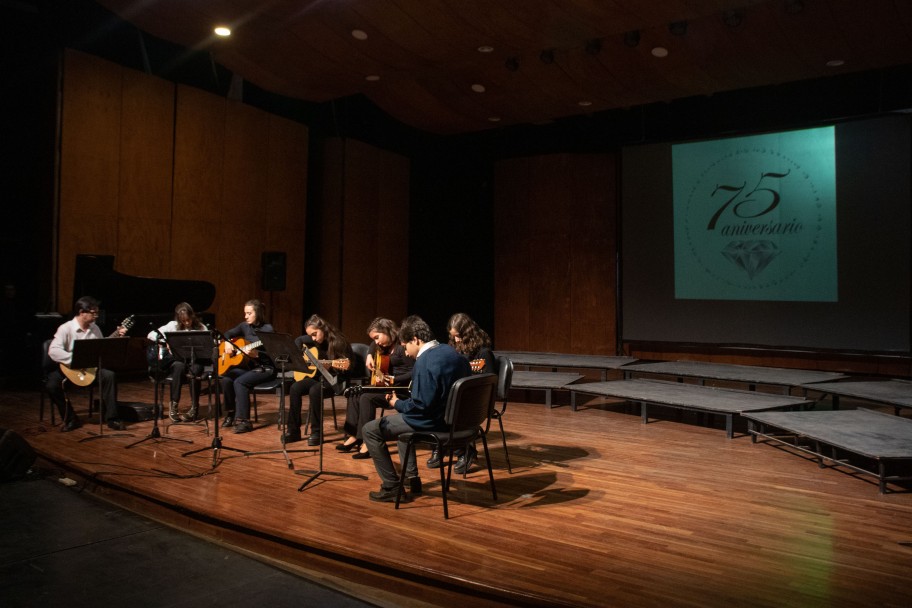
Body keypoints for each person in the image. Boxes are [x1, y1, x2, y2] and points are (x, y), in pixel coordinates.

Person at [362, 315, 471, 503]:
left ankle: (391, 487)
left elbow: (420, 407)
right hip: (460, 422)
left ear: (416, 340)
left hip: (435, 423)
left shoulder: (424, 360)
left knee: (370, 430)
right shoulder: (453, 353)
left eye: (405, 346)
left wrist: (396, 403)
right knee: (403, 431)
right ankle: (412, 480)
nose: (406, 352)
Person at [45, 296, 129, 432]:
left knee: (109, 376)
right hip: (69, 369)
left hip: (89, 369)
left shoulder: (95, 329)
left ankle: (112, 418)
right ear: (81, 312)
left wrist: (117, 337)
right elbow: (53, 351)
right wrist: (74, 360)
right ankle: (71, 419)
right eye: (93, 313)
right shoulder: (65, 328)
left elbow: (102, 349)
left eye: (97, 313)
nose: (96, 316)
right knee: (52, 385)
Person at [340, 317, 414, 460]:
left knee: (367, 398)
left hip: (400, 390)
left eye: (377, 337)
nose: (376, 342)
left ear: (387, 331)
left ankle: (368, 442)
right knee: (355, 393)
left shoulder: (402, 347)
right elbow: (373, 345)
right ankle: (354, 435)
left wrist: (395, 379)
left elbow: (415, 371)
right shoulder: (383, 345)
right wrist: (369, 355)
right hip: (387, 387)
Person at [284, 314, 353, 446]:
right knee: (295, 388)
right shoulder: (313, 339)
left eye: (315, 334)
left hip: (336, 380)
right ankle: (293, 431)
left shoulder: (339, 341)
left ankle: (316, 432)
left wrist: (331, 364)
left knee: (315, 390)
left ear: (323, 328)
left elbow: (348, 366)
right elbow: (298, 340)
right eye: (311, 336)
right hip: (320, 376)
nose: (313, 338)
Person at [442, 312, 496, 473]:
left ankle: (465, 451)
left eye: (458, 336)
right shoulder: (455, 349)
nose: (456, 340)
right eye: (453, 337)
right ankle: (443, 446)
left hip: (478, 399)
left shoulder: (483, 353)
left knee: (457, 408)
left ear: (468, 333)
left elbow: (489, 381)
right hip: (458, 396)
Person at [218, 299, 275, 434]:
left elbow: (274, 353)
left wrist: (258, 354)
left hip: (266, 368)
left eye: (249, 313)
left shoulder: (268, 329)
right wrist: (227, 344)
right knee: (227, 379)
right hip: (250, 367)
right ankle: (231, 413)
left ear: (258, 313)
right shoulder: (244, 326)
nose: (246, 316)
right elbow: (226, 334)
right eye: (245, 313)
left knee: (240, 382)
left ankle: (244, 421)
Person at [147, 302, 208, 423]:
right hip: (179, 360)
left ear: (192, 316)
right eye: (183, 321)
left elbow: (208, 342)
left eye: (188, 320)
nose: (186, 323)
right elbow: (151, 335)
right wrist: (165, 341)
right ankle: (174, 404)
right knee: (178, 367)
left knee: (195, 371)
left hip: (196, 360)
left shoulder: (201, 327)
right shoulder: (172, 325)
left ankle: (194, 407)